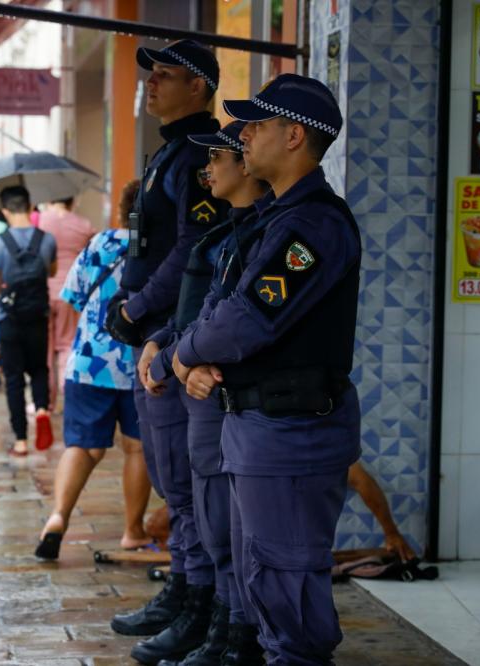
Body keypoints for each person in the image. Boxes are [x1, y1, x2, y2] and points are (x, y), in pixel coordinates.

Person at [171, 74, 360, 665]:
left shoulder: (312, 226)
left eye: (256, 124)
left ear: (295, 135)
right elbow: (222, 310)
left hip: (292, 429)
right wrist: (193, 360)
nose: (243, 136)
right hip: (259, 425)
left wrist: (185, 353)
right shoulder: (273, 220)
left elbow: (244, 322)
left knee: (288, 588)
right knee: (263, 579)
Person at [103, 39, 228, 664]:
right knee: (172, 481)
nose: (151, 84)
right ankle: (182, 591)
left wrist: (138, 306)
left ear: (201, 87)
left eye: (167, 76)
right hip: (155, 337)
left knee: (186, 483)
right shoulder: (172, 152)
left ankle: (198, 601)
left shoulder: (202, 154)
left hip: (177, 339)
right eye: (150, 75)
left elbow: (193, 251)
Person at [145, 121, 271, 666]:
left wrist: (184, 355)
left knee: (234, 528)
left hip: (235, 397)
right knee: (204, 510)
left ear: (246, 164)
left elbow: (242, 322)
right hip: (200, 379)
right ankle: (218, 617)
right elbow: (202, 310)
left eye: (220, 156)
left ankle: (234, 629)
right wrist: (168, 345)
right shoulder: (227, 235)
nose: (208, 168)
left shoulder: (274, 233)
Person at [35, 181, 151, 561]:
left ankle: (57, 517)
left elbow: (71, 298)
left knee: (83, 447)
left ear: (120, 209)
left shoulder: (99, 244)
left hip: (89, 360)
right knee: (137, 449)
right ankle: (133, 531)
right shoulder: (161, 248)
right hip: (140, 363)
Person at [0, 185, 58, 456]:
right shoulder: (47, 239)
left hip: (10, 316)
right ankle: (40, 410)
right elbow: (51, 270)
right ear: (29, 206)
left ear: (5, 210)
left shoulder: (0, 241)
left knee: (14, 378)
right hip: (38, 313)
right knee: (39, 368)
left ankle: (21, 441)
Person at [38, 197, 96, 410]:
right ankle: (68, 396)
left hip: (42, 290)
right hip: (71, 293)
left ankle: (45, 402)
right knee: (67, 346)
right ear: (72, 200)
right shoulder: (84, 224)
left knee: (45, 349)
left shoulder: (40, 221)